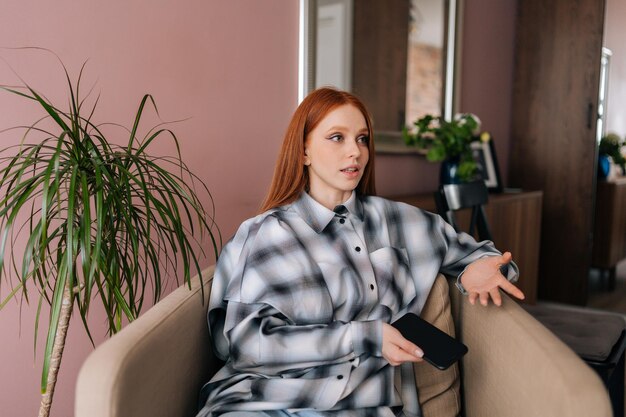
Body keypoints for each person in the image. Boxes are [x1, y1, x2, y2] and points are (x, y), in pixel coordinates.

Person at [196, 87, 524, 417]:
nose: (355, 151)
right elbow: (249, 346)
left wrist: (475, 269)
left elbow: (484, 257)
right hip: (267, 400)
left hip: (364, 407)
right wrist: (363, 337)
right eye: (337, 137)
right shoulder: (268, 234)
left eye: (363, 139)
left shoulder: (401, 220)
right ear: (304, 151)